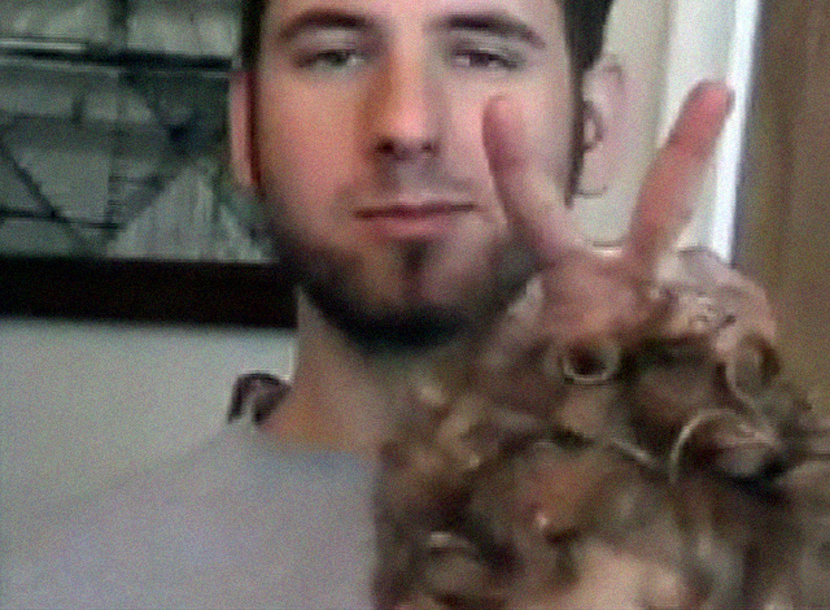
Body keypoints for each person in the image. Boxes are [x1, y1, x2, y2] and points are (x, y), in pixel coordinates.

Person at [1, 0, 739, 608]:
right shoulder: (49, 587)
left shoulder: (728, 553)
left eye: (481, 55)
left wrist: (702, 463)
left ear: (595, 124)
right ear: (244, 126)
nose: (405, 125)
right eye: (335, 56)